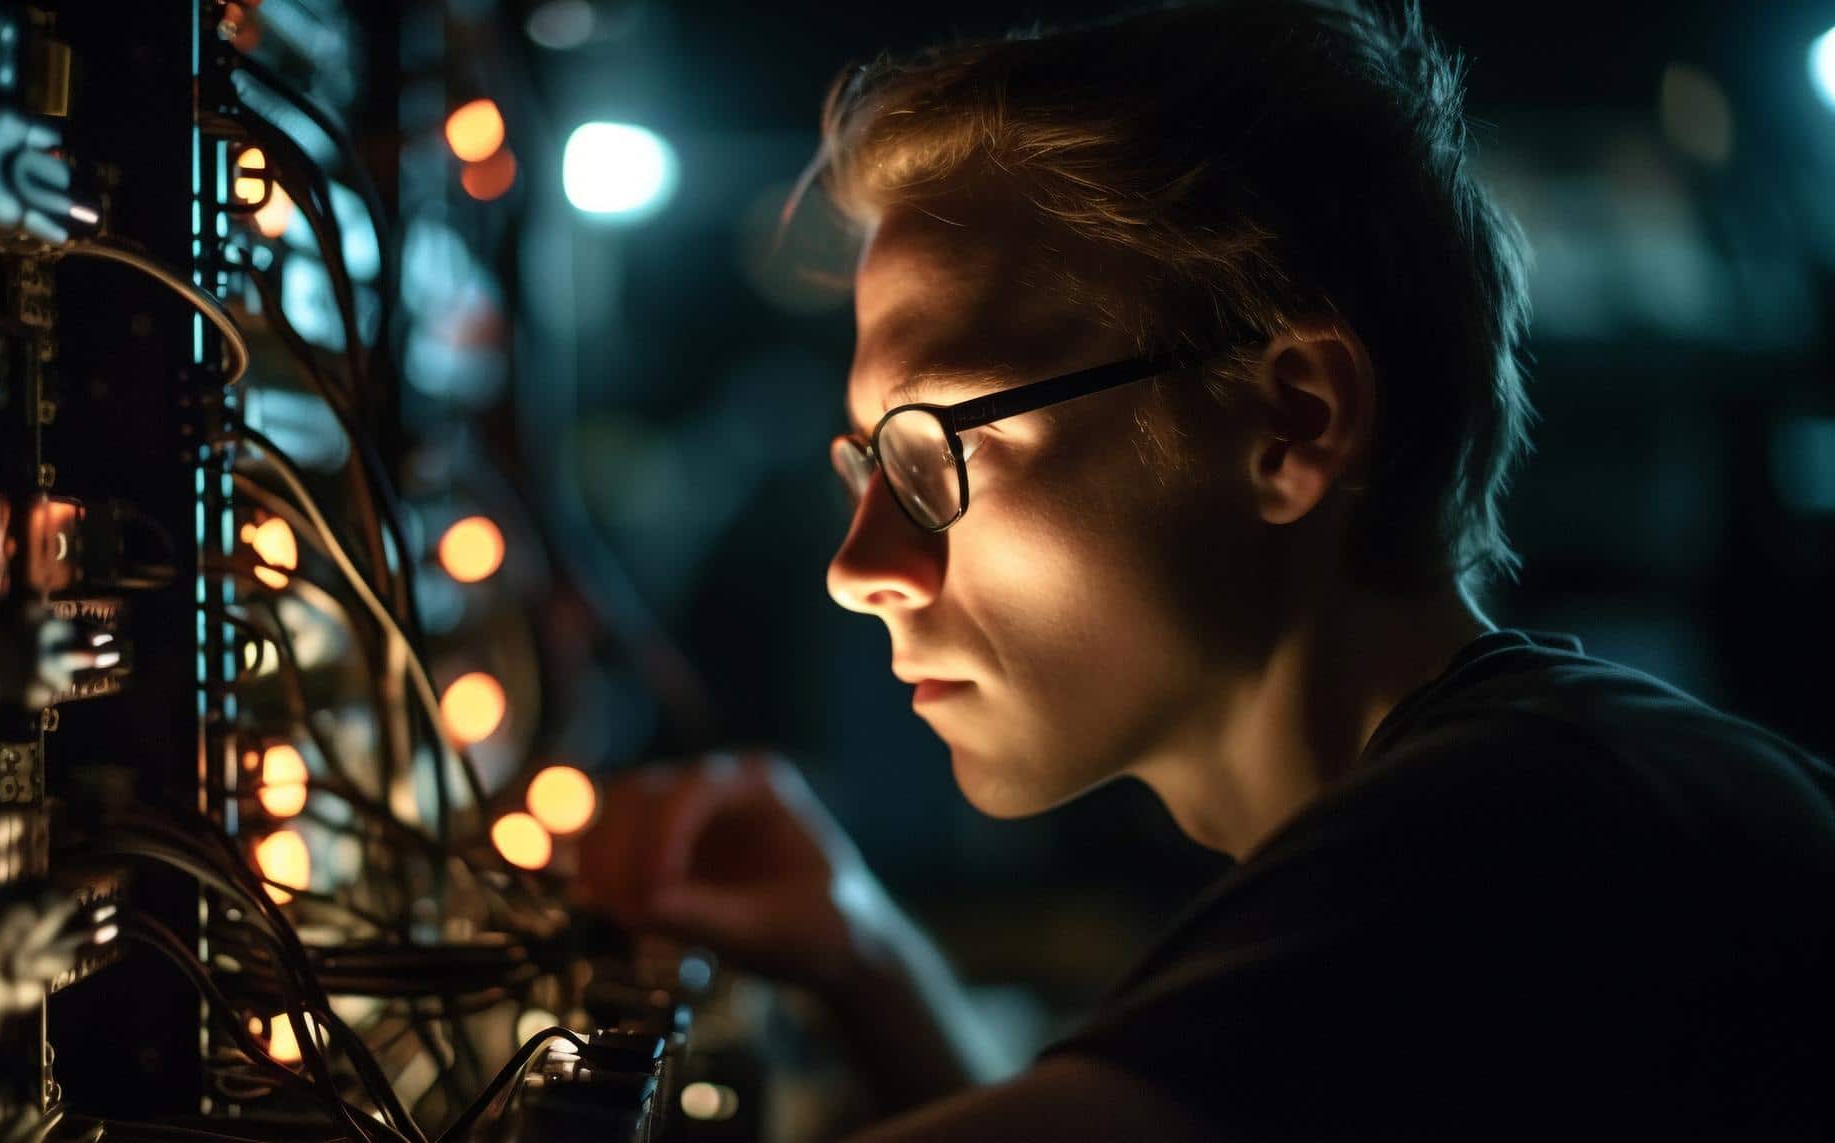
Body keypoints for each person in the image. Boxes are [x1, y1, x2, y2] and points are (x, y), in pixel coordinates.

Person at [578, 1, 1835, 1138]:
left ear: (1289, 424)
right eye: (869, 467)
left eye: (936, 446)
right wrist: (858, 954)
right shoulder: (1507, 801)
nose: (861, 570)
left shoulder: (1522, 841)